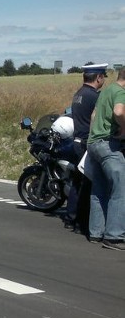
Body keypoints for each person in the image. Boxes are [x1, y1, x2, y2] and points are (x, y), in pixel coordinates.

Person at [85, 66, 125, 250]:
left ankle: (96, 232)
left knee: (99, 189)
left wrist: (93, 136)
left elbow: (94, 115)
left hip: (94, 143)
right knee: (120, 188)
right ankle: (114, 236)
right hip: (109, 145)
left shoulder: (107, 90)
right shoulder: (120, 92)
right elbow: (118, 112)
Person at [64, 64, 107, 233]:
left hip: (76, 141)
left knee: (77, 182)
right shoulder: (94, 96)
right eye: (103, 77)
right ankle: (81, 223)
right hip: (85, 143)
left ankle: (71, 218)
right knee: (88, 185)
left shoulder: (79, 94)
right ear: (98, 78)